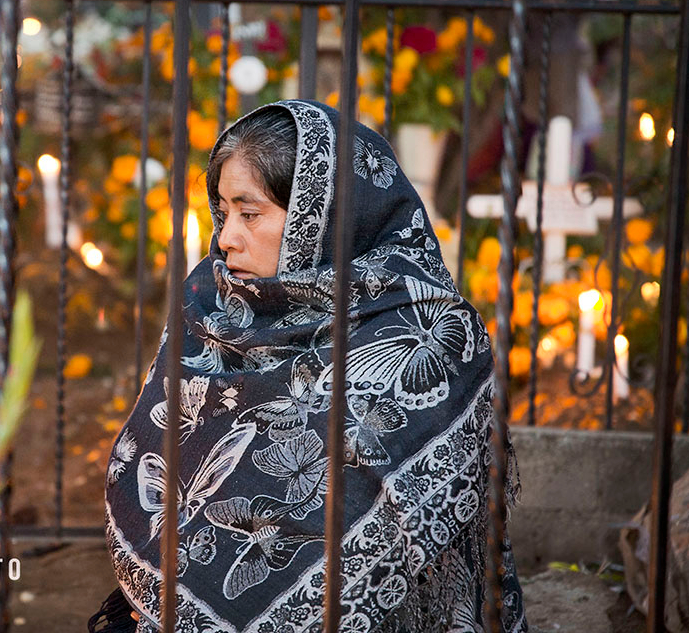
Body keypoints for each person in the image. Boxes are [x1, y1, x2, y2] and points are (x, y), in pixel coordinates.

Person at [98, 100, 527, 631]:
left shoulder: (428, 331)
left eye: (249, 214)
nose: (226, 237)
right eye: (223, 212)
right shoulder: (210, 303)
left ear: (317, 218)